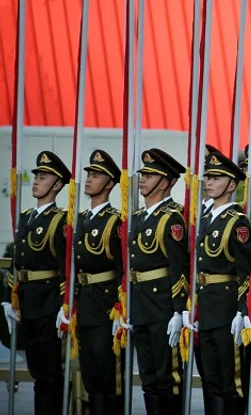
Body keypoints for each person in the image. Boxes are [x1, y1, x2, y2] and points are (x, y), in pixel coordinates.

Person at [185, 147, 251, 414]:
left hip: (226, 308)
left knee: (230, 380)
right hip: (206, 305)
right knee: (210, 378)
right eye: (208, 178)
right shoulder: (204, 219)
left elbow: (245, 272)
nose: (209, 183)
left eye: (216, 178)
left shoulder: (238, 222)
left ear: (232, 185)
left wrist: (241, 310)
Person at [2, 151, 70, 413]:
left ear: (57, 185)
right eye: (37, 176)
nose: (37, 181)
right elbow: (16, 261)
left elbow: (65, 268)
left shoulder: (60, 220)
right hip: (28, 300)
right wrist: (11, 299)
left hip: (48, 300)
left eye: (43, 177)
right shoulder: (26, 216)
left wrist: (65, 305)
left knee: (50, 373)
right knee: (36, 370)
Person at [128, 148, 188, 413]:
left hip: (163, 307)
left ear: (165, 182)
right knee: (149, 378)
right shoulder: (139, 218)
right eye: (143, 173)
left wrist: (178, 310)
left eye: (150, 175)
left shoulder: (173, 218)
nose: (142, 179)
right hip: (140, 304)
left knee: (168, 378)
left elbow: (179, 269)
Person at [71, 150, 125, 415]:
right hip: (85, 303)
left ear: (110, 184)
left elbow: (121, 268)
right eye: (89, 175)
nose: (90, 180)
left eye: (96, 176)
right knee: (90, 374)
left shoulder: (115, 220)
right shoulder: (80, 219)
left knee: (108, 376)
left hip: (106, 306)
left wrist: (121, 306)